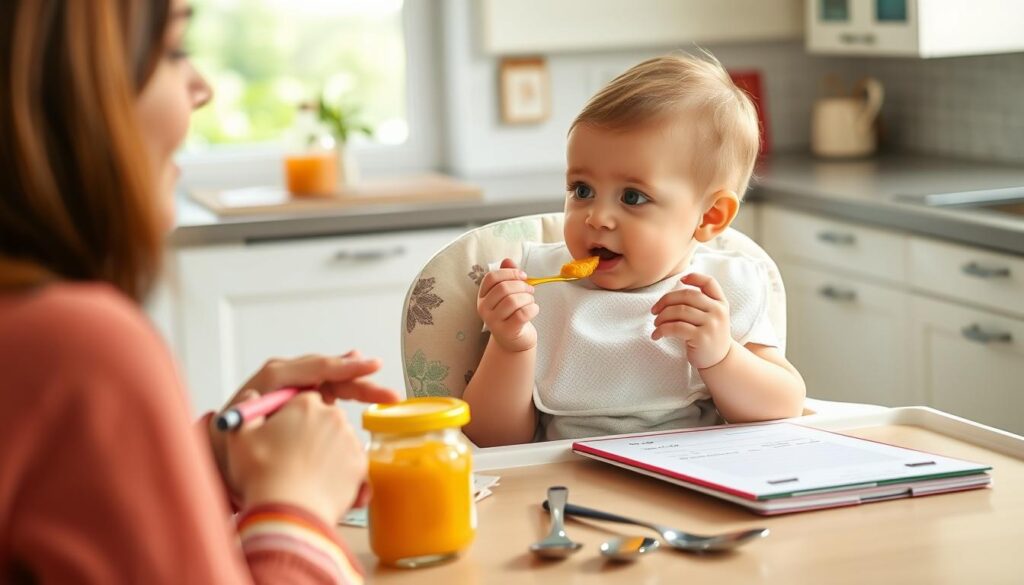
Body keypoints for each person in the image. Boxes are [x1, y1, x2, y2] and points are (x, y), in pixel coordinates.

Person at [0, 1, 398, 583]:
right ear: (65, 85)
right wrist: (296, 507)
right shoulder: (77, 346)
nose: (202, 89)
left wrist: (205, 459)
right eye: (173, 50)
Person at [463, 54, 806, 446]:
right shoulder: (532, 291)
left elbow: (785, 408)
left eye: (632, 196)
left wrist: (721, 356)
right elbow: (490, 440)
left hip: (694, 490)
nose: (597, 217)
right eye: (582, 190)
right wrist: (511, 346)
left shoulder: (723, 292)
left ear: (709, 216)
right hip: (566, 486)